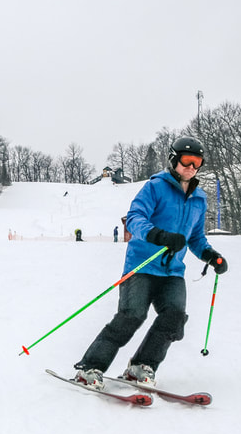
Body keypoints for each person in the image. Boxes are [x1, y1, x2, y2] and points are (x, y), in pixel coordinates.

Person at [73, 136, 228, 389]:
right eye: (187, 160)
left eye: (197, 162)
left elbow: (196, 237)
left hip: (172, 271)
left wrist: (210, 255)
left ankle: (141, 366)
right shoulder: (155, 187)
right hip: (142, 265)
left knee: (175, 318)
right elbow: (135, 218)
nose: (191, 167)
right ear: (174, 160)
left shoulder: (199, 198)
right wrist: (159, 235)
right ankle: (90, 368)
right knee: (131, 315)